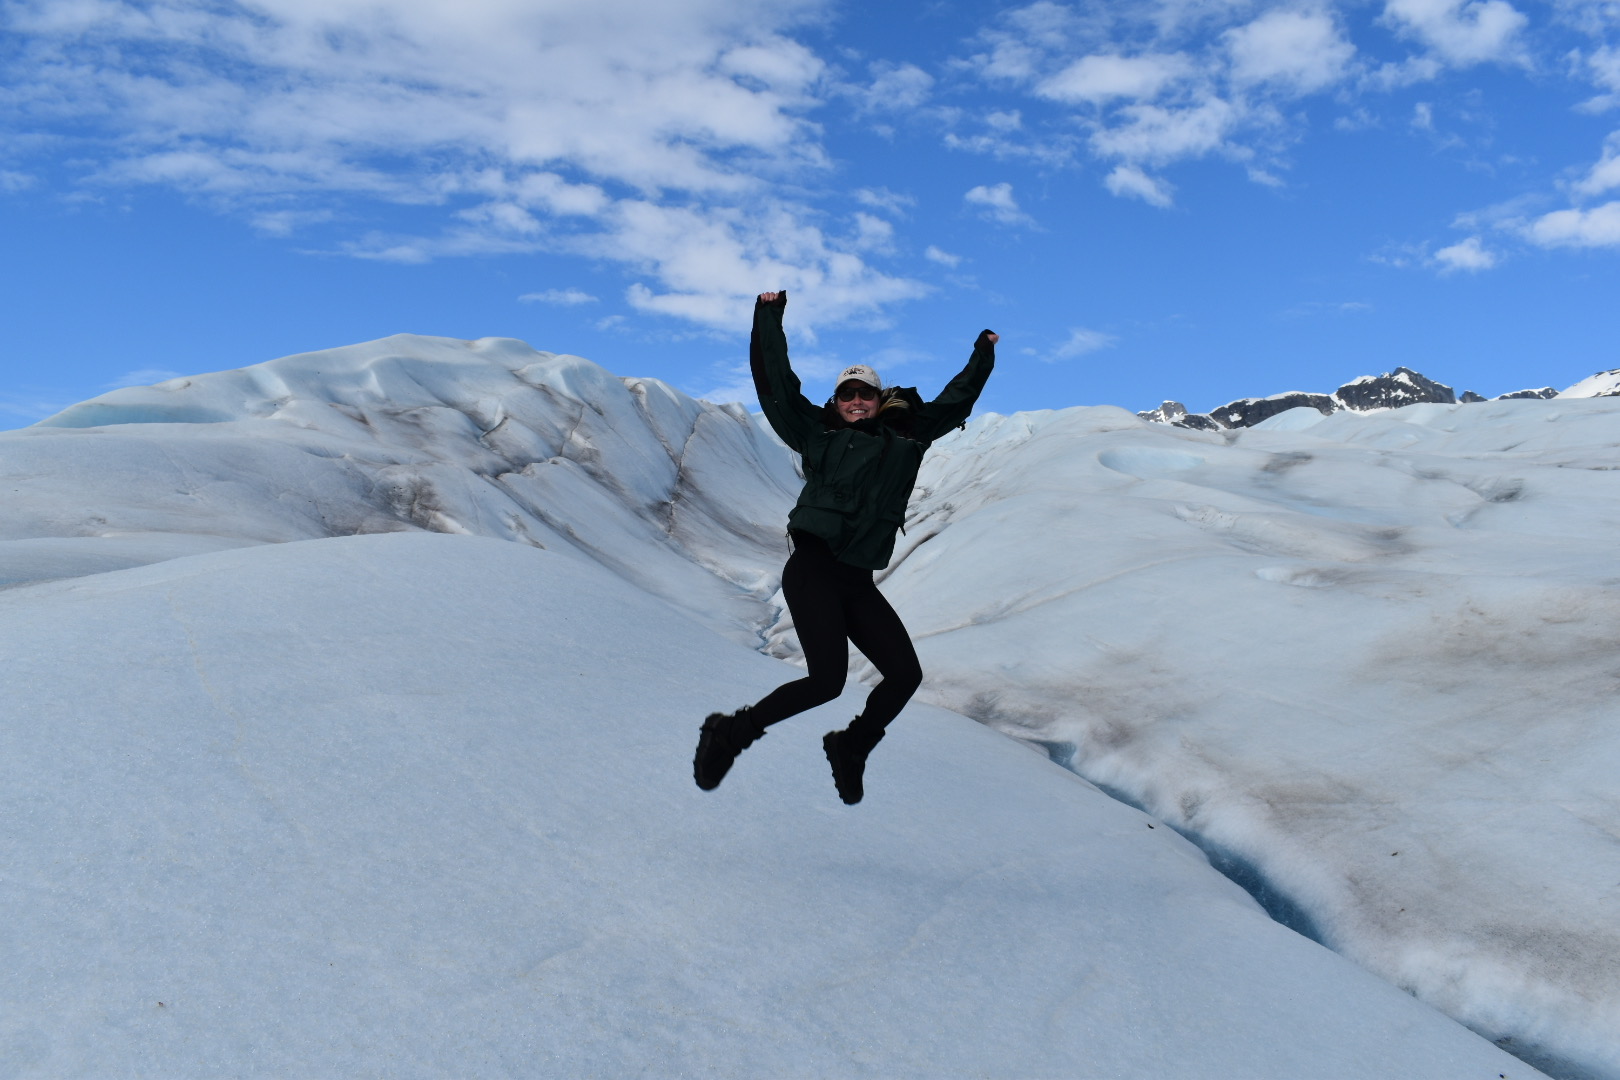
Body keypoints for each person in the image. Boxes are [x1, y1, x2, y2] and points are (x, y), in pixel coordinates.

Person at [694, 289, 998, 804]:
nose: (856, 401)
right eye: (846, 394)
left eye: (866, 394)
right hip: (813, 569)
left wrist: (983, 352)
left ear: (880, 401)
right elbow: (775, 384)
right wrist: (769, 315)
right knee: (826, 680)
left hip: (856, 579)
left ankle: (851, 745)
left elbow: (957, 401)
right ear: (835, 401)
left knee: (905, 674)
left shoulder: (908, 436)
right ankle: (729, 732)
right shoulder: (816, 433)